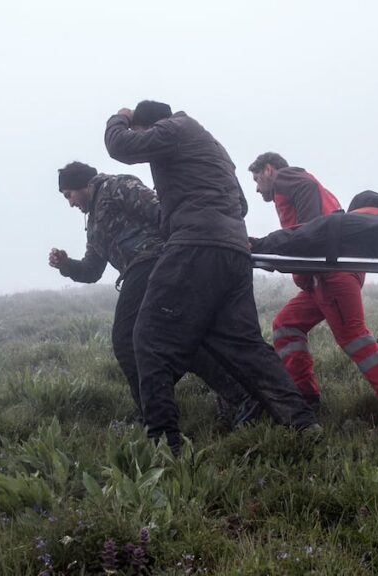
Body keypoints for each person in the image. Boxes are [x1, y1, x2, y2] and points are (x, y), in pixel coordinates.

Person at [103, 101, 319, 453]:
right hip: (232, 250)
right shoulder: (213, 147)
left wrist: (120, 118)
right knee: (245, 345)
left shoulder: (174, 129)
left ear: (149, 125)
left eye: (143, 133)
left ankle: (163, 442)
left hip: (194, 246)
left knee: (147, 338)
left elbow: (120, 146)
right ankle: (303, 422)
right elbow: (242, 205)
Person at [49, 161, 261, 427]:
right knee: (179, 341)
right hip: (140, 270)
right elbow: (92, 270)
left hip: (155, 262)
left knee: (126, 340)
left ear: (85, 185)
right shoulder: (93, 222)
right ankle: (243, 397)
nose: (69, 203)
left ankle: (152, 418)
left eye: (69, 194)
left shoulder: (117, 186)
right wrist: (67, 265)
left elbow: (163, 212)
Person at [248, 152, 378, 431]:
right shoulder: (295, 191)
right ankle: (305, 398)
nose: (257, 187)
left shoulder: (287, 178)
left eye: (257, 178)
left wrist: (303, 234)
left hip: (332, 274)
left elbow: (308, 229)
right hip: (322, 277)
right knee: (286, 325)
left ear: (269, 170)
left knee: (353, 336)